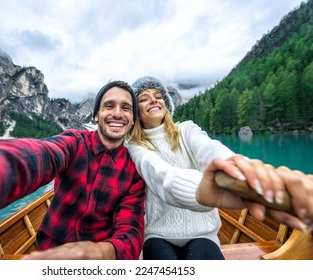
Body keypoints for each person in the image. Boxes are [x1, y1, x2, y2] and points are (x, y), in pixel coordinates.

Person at [0, 80, 146, 260]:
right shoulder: (74, 142)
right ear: (96, 115)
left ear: (133, 119)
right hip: (46, 251)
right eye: (109, 106)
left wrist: (100, 251)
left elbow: (131, 229)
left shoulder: (134, 169)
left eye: (126, 108)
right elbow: (41, 154)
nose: (117, 113)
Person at [126, 76, 311, 260]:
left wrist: (246, 173)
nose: (153, 99)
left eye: (158, 96)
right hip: (158, 234)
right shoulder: (135, 147)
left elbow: (213, 151)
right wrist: (204, 191)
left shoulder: (186, 130)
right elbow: (161, 175)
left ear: (166, 104)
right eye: (143, 98)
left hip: (202, 232)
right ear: (137, 112)